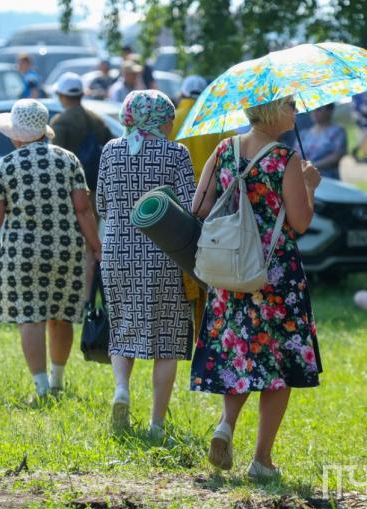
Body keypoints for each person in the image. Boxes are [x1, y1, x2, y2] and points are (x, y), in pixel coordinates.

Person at [190, 96, 323, 478]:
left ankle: (225, 426)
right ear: (273, 110)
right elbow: (300, 222)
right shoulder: (285, 159)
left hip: (231, 269)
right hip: (273, 272)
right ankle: (261, 460)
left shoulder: (224, 149)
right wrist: (309, 185)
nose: (296, 111)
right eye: (290, 104)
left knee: (242, 352)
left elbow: (200, 207)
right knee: (280, 363)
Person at [0, 99, 102, 401]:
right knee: (61, 315)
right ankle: (57, 381)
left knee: (30, 317)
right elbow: (83, 209)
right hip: (65, 249)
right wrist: (96, 248)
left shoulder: (5, 165)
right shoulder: (69, 160)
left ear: (16, 134)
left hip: (23, 252)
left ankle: (41, 388)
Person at [96, 90, 196, 439]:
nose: (171, 125)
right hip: (165, 254)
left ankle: (122, 389)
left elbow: (102, 204)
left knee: (122, 327)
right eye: (169, 119)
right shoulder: (176, 153)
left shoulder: (111, 151)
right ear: (160, 120)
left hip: (117, 253)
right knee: (166, 340)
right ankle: (156, 425)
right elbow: (190, 206)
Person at [169, 75, 230, 343]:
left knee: (185, 268)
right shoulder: (220, 120)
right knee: (210, 269)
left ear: (183, 94)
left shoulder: (173, 119)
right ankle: (207, 330)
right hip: (214, 204)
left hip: (179, 204)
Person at [49, 73, 114, 293]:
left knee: (67, 243)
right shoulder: (96, 120)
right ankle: (86, 297)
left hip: (69, 193)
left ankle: (68, 293)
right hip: (93, 189)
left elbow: (56, 161)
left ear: (62, 95)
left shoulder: (60, 122)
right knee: (89, 244)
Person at [298, 103, 347, 180]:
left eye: (318, 109)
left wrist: (312, 166)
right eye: (312, 109)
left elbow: (336, 156)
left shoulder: (338, 131)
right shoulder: (304, 133)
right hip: (305, 179)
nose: (314, 112)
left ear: (330, 111)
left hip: (328, 179)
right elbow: (296, 155)